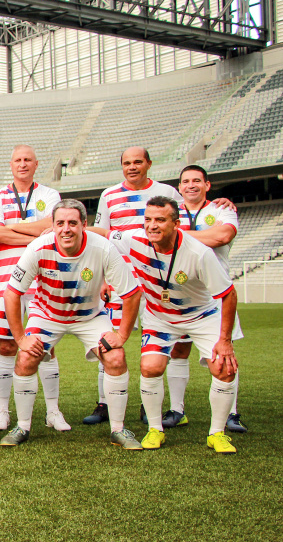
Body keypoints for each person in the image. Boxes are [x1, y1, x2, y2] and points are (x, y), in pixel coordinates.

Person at [0, 200, 143, 449]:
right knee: (25, 358)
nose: (66, 229)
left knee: (116, 357)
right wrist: (22, 338)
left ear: (84, 225)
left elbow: (132, 293)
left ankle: (118, 430)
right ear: (53, 226)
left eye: (73, 223)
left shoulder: (103, 248)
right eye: (60, 223)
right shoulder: (38, 247)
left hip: (89, 317)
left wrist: (121, 335)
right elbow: (12, 293)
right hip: (47, 315)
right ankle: (22, 426)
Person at [107, 196, 240, 453]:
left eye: (160, 220)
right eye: (147, 219)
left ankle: (217, 433)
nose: (152, 225)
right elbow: (103, 233)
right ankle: (155, 429)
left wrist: (225, 341)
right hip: (161, 316)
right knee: (150, 366)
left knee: (224, 368)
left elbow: (228, 294)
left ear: (176, 223)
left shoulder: (198, 253)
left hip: (202, 315)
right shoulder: (134, 239)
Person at [84, 146, 185, 426]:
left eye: (137, 162)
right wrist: (103, 277)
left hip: (157, 281)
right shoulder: (110, 195)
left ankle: (147, 403)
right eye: (126, 162)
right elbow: (103, 239)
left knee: (152, 343)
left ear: (149, 163)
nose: (132, 167)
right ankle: (104, 403)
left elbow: (182, 230)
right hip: (120, 282)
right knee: (110, 340)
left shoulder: (168, 193)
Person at [0, 145, 65, 432]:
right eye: (18, 159)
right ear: (11, 164)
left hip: (43, 281)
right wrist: (36, 230)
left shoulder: (49, 195)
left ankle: (53, 411)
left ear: (36, 164)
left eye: (27, 160)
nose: (22, 164)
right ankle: (3, 411)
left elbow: (53, 226)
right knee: (6, 346)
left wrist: (14, 227)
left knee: (47, 348)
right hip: (7, 282)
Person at [165, 165, 245, 432]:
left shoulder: (222, 209)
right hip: (179, 295)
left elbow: (223, 236)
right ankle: (177, 410)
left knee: (224, 353)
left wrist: (174, 236)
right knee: (178, 350)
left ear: (207, 185)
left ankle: (231, 414)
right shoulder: (171, 211)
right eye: (186, 181)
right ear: (179, 187)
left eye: (197, 180)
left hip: (215, 295)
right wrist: (202, 238)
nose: (191, 185)